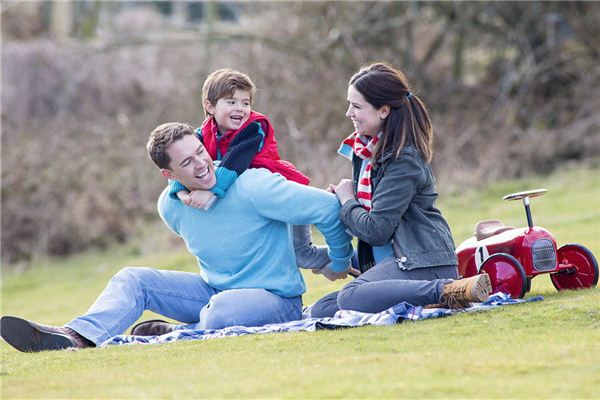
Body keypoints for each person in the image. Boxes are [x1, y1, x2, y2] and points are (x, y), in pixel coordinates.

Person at [0, 122, 353, 352]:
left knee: (221, 312)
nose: (201, 165)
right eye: (186, 163)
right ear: (169, 175)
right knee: (133, 279)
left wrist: (338, 261)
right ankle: (76, 337)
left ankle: (169, 335)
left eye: (201, 152)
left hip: (276, 299)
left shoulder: (254, 186)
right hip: (213, 291)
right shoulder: (171, 206)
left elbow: (325, 207)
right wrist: (178, 193)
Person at [309, 62, 492, 318]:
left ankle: (449, 290)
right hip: (395, 263)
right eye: (349, 104)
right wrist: (342, 205)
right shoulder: (364, 153)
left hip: (423, 262)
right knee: (321, 309)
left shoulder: (403, 159)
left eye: (357, 106)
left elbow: (377, 230)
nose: (349, 113)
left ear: (383, 111)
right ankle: (427, 298)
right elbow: (367, 220)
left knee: (350, 296)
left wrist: (348, 201)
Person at [169, 68, 330, 272]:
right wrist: (183, 194)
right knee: (277, 253)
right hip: (252, 204)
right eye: (231, 102)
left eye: (246, 103)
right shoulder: (202, 134)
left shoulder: (253, 128)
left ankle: (357, 254)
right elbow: (178, 164)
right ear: (210, 107)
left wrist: (209, 192)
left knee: (302, 253)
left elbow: (233, 163)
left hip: (280, 191)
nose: (240, 108)